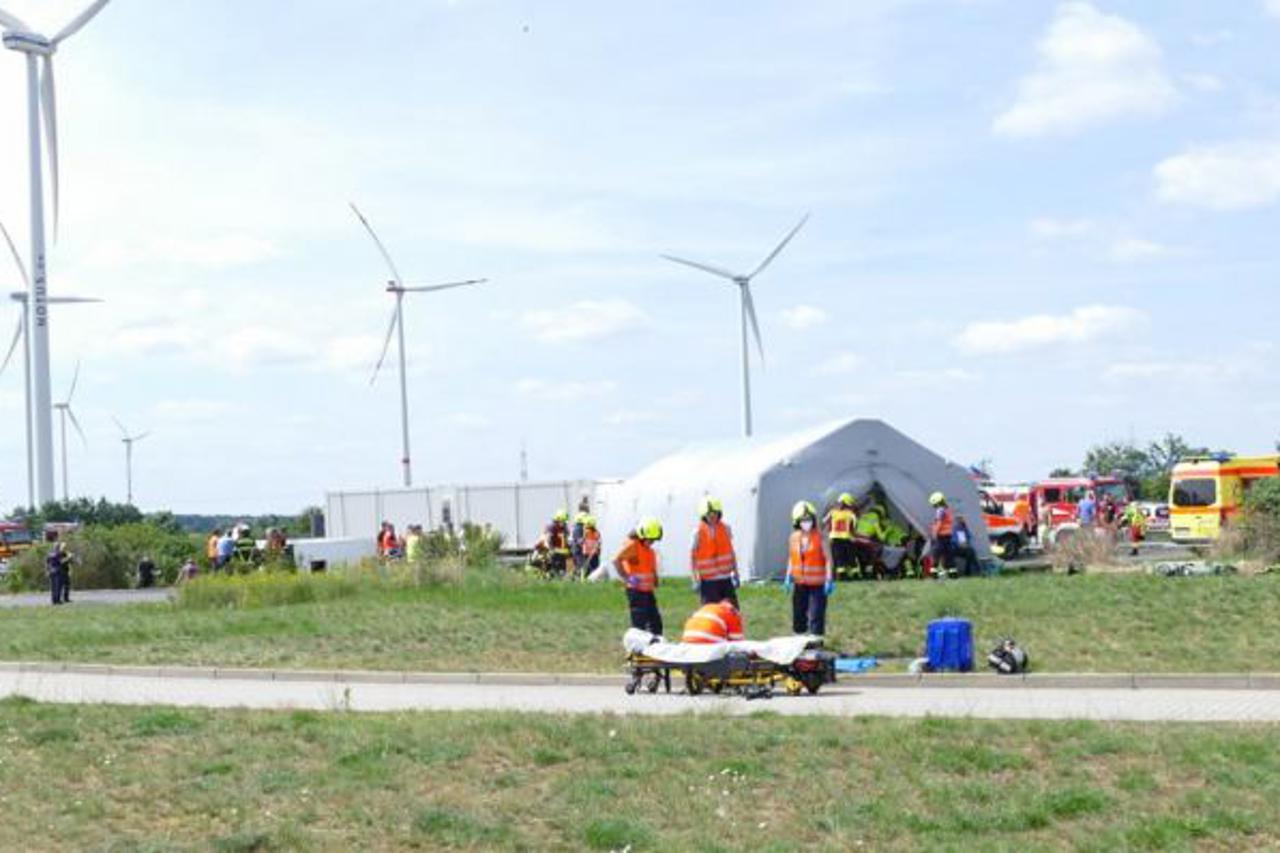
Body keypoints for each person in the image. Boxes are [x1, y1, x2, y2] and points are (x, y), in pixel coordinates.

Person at [783, 501, 833, 636]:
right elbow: (792, 558)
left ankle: (816, 641)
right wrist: (788, 576)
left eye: (809, 519)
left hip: (817, 585)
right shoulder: (793, 538)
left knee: (816, 615)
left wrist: (829, 579)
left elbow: (828, 559)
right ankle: (799, 640)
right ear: (797, 522)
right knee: (798, 615)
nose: (807, 522)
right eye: (803, 520)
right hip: (799, 584)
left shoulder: (821, 537)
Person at [613, 517, 664, 636]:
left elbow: (650, 567)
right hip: (636, 591)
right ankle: (637, 645)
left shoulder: (648, 550)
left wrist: (655, 578)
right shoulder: (633, 546)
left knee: (656, 623)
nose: (652, 542)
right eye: (650, 540)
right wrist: (627, 578)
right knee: (639, 624)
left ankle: (656, 643)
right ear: (642, 536)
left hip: (648, 591)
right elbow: (616, 560)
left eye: (654, 540)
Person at [689, 497, 739, 607]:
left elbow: (731, 552)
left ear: (719, 513)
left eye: (715, 514)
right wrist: (694, 579)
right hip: (708, 581)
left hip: (726, 578)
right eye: (709, 514)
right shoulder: (697, 532)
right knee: (711, 611)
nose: (712, 517)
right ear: (704, 515)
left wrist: (736, 573)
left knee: (732, 611)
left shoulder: (726, 528)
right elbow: (692, 558)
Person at [823, 493, 858, 581]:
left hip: (835, 539)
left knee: (838, 558)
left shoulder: (832, 512)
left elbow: (824, 521)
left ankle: (841, 576)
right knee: (850, 557)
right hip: (847, 539)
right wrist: (853, 535)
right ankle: (854, 575)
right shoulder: (851, 514)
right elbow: (854, 526)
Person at [853, 502, 887, 580]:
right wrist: (887, 530)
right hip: (866, 541)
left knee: (862, 554)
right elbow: (881, 537)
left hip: (856, 540)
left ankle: (862, 570)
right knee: (877, 549)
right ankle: (869, 570)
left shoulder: (863, 516)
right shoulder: (875, 519)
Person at [536, 509, 573, 578]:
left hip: (562, 553)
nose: (564, 523)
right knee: (553, 568)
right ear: (559, 519)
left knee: (562, 570)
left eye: (565, 521)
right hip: (554, 552)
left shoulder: (564, 528)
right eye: (563, 521)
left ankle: (559, 578)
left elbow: (567, 538)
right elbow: (548, 538)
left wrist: (569, 548)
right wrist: (551, 549)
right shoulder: (552, 526)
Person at [928, 492, 955, 578]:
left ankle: (934, 574)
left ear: (936, 502)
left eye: (933, 504)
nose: (933, 506)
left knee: (935, 555)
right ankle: (953, 574)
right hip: (948, 536)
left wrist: (934, 533)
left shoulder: (940, 510)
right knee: (949, 556)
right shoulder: (948, 510)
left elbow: (939, 523)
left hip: (941, 536)